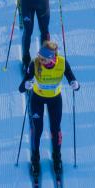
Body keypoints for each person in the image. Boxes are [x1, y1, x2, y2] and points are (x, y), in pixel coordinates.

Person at [19, 39, 78, 175]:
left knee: (55, 129)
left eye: (44, 59)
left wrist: (75, 84)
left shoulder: (62, 63)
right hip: (37, 100)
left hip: (55, 100)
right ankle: (35, 159)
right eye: (40, 57)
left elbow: (72, 79)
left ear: (53, 58)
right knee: (37, 129)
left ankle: (57, 158)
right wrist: (26, 85)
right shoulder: (35, 64)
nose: (41, 60)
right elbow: (21, 88)